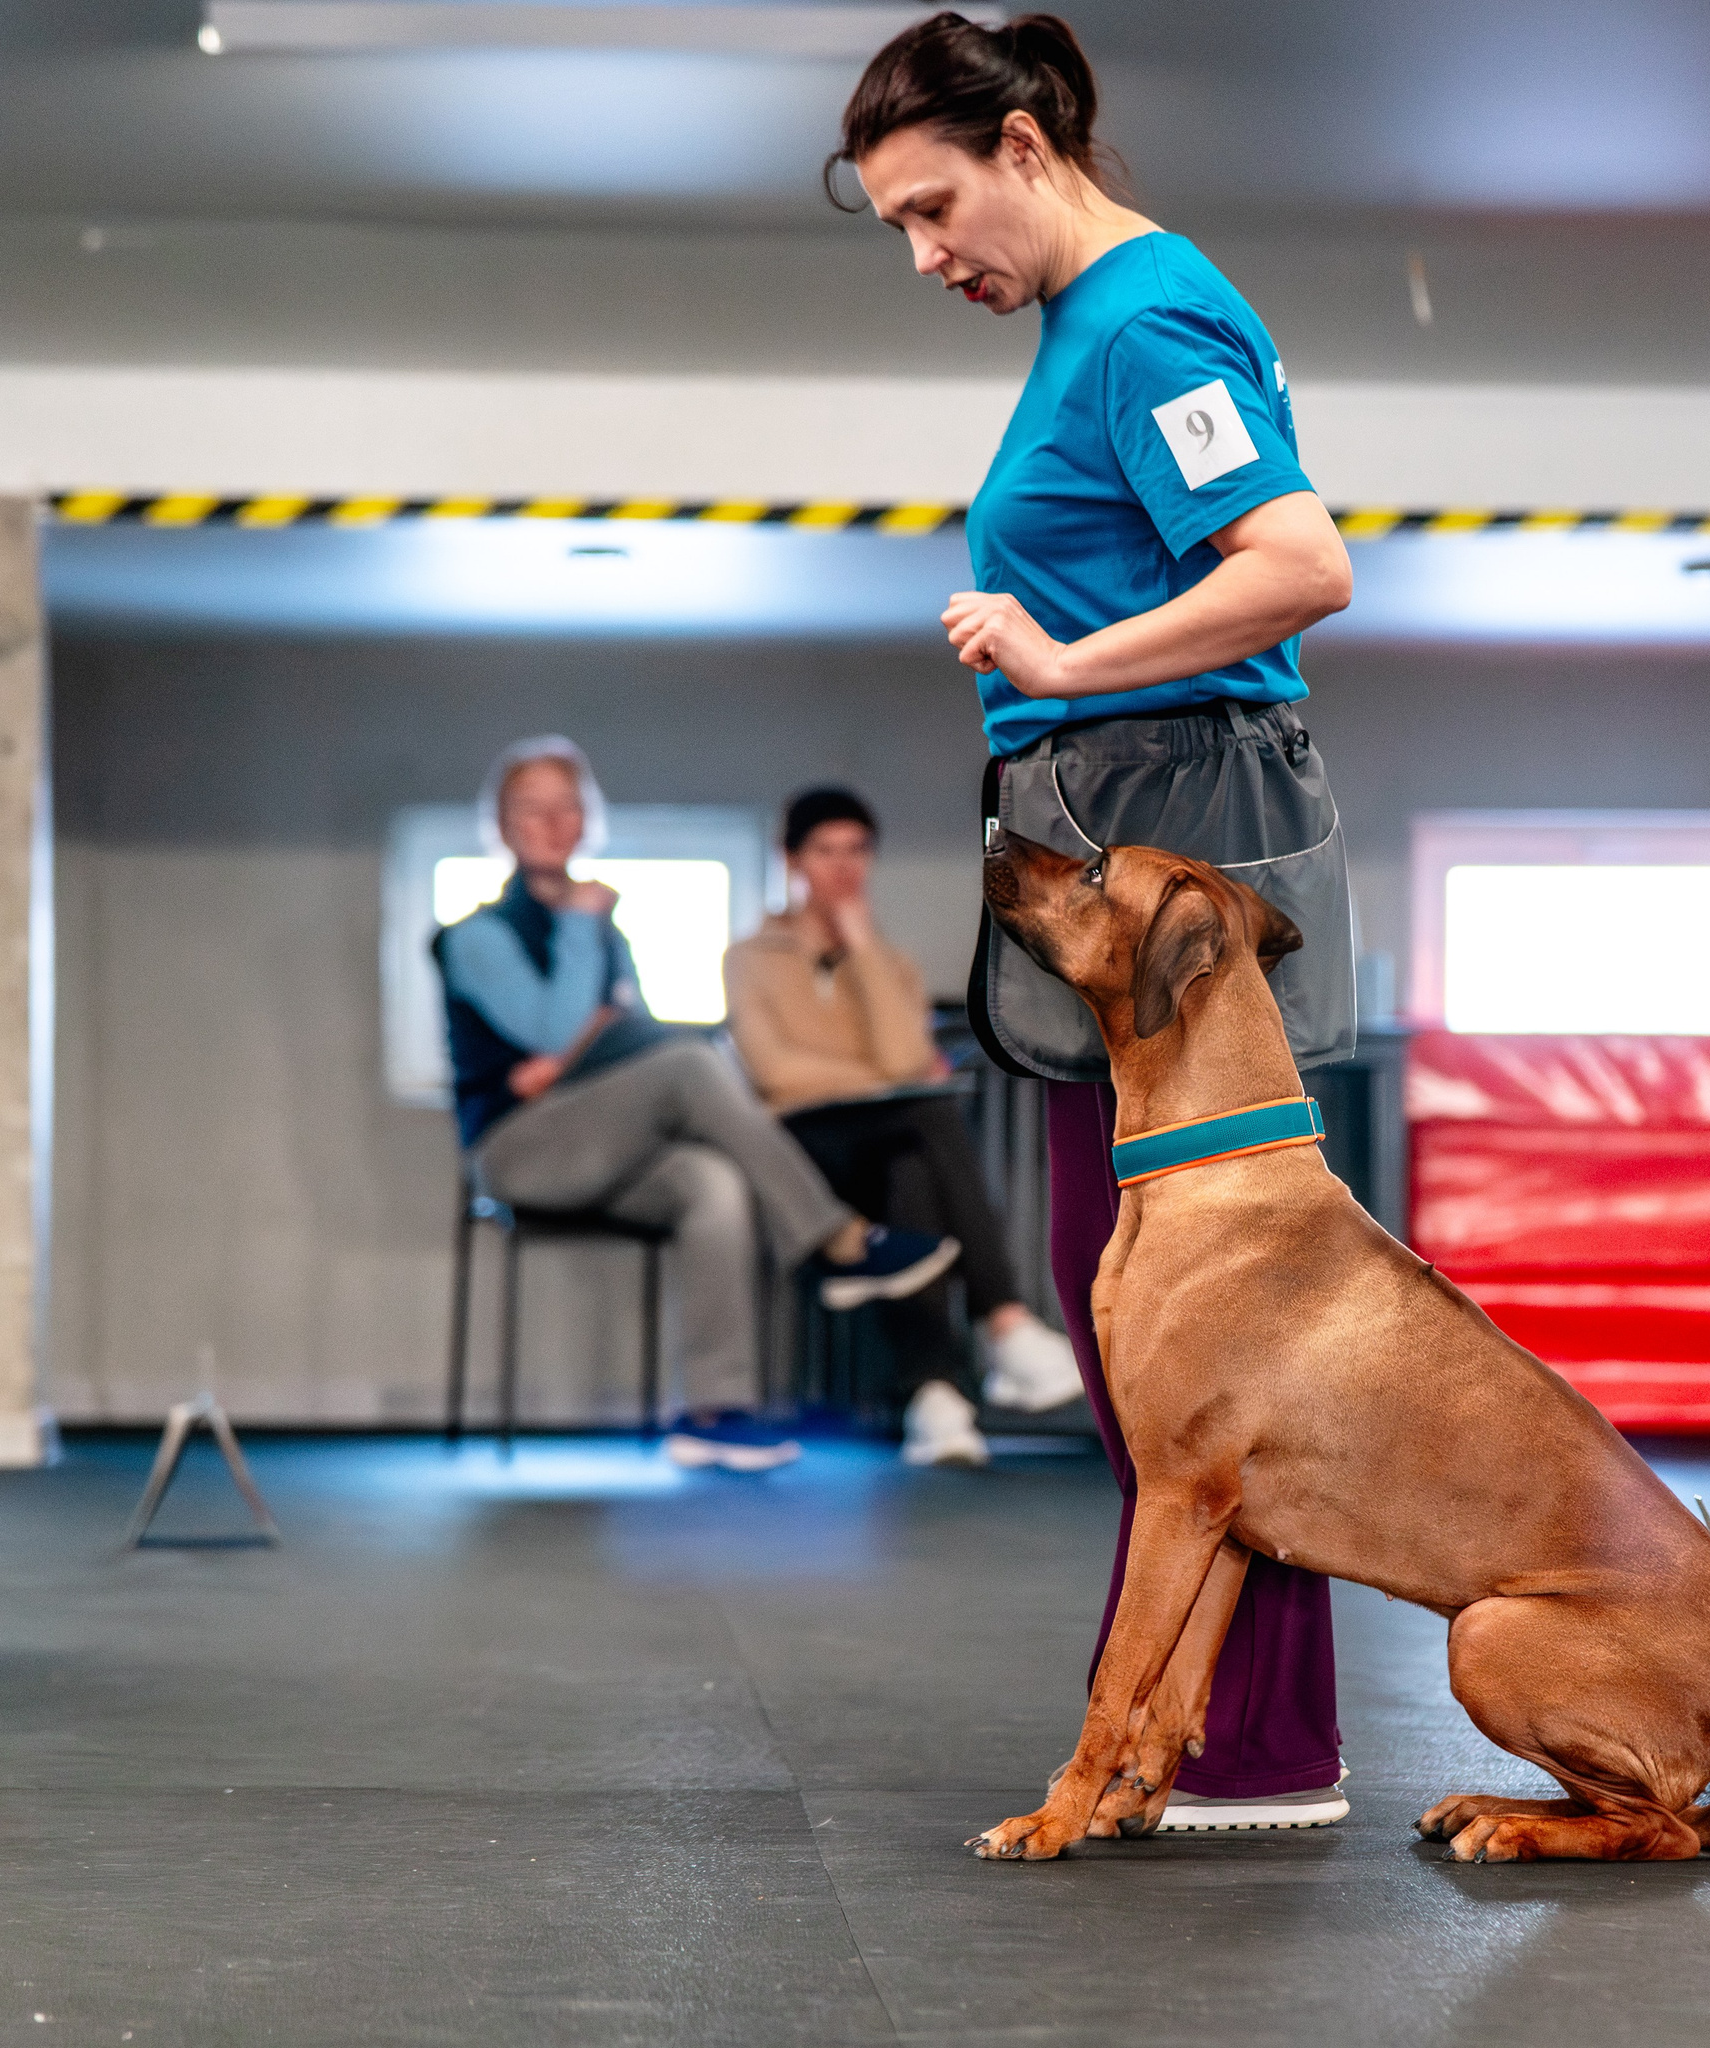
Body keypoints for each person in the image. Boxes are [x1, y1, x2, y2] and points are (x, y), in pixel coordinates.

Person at [832, 14, 1360, 1830]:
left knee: (1186, 1319)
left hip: (1170, 823)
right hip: (1112, 826)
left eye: (935, 206)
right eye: (897, 227)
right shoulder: (1096, 324)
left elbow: (1299, 566)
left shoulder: (1149, 319)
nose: (926, 256)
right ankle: (1192, 1725)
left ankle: (1248, 1741)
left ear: (1031, 144)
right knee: (1140, 1302)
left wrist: (1057, 657)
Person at [434, 736, 961, 1472]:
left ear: (587, 820)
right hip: (520, 1151)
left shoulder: (608, 934)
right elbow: (557, 1027)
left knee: (713, 1181)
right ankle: (835, 1241)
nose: (553, 822)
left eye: (568, 806)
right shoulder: (475, 937)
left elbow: (622, 1035)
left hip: (603, 1136)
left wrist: (568, 1053)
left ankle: (715, 1413)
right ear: (503, 825)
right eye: (533, 809)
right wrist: (584, 949)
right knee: (690, 1064)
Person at [725, 785, 1088, 1468]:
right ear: (793, 859)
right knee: (927, 1111)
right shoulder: (751, 957)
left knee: (914, 1166)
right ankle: (1004, 1326)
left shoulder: (888, 962)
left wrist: (861, 945)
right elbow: (777, 1075)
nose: (842, 867)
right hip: (801, 1154)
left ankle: (937, 1399)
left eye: (857, 850)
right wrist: (878, 1079)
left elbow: (901, 1059)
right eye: (825, 850)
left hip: (887, 1141)